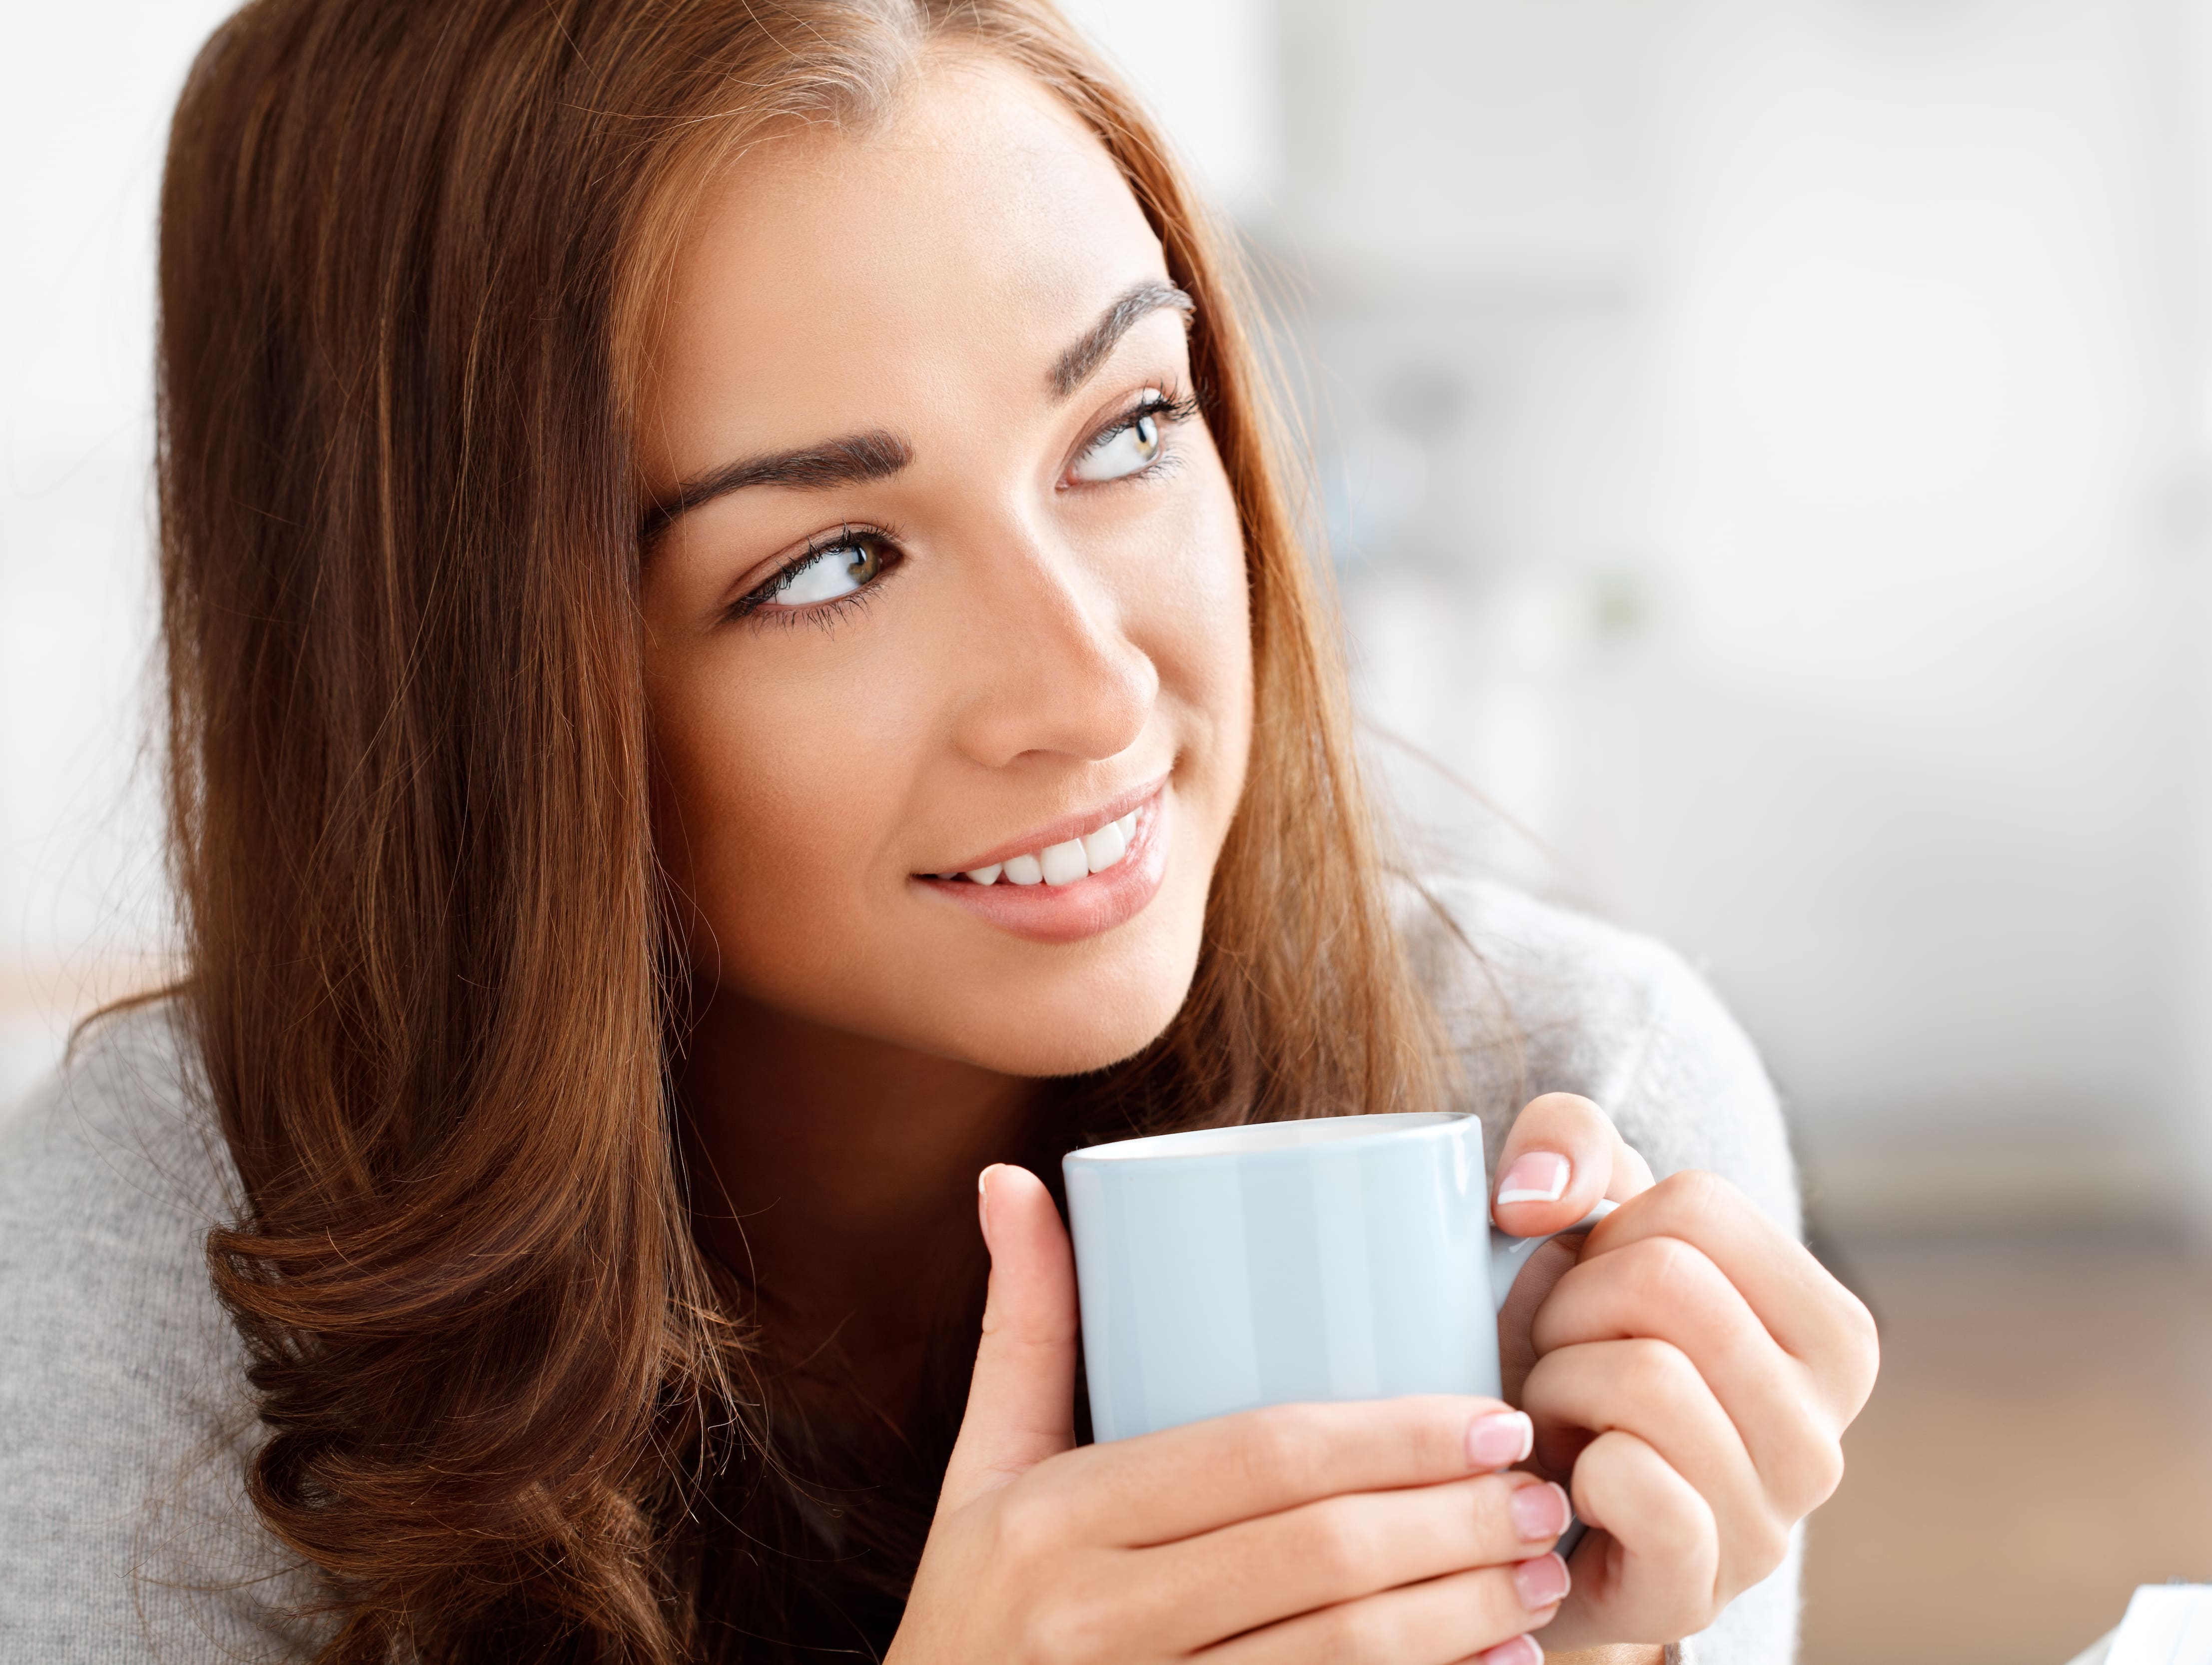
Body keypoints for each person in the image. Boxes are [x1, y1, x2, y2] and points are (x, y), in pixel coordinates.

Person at [0, 1, 1877, 1660]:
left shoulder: (1561, 1105)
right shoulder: (171, 1256)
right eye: (830, 563)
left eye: (1129, 431)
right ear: (452, 689)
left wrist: (1594, 1650)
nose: (1091, 688)